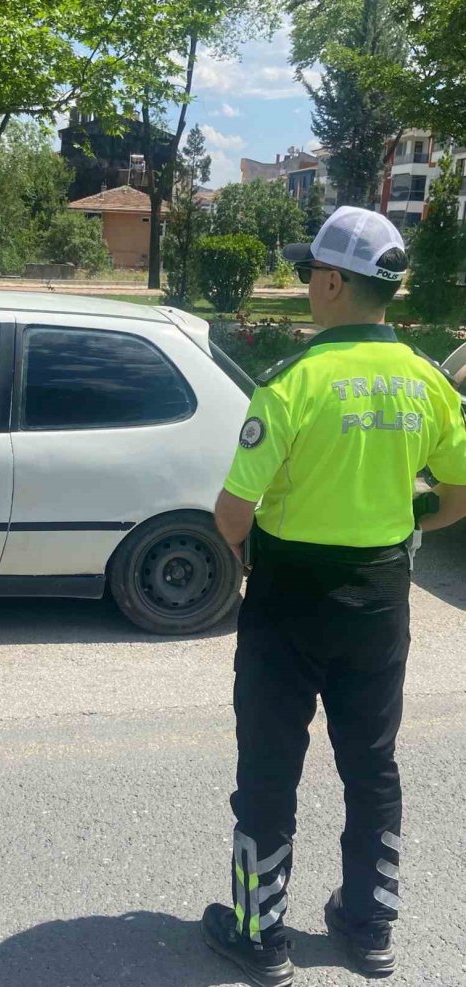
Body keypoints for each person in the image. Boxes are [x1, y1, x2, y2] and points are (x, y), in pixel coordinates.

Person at [200, 207, 466, 986]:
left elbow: (230, 514)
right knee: (372, 763)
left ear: (331, 282)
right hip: (382, 595)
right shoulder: (424, 380)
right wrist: (403, 519)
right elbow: (455, 495)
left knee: (270, 768)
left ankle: (260, 935)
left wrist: (252, 559)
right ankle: (369, 925)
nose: (304, 284)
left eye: (308, 272)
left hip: (289, 597)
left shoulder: (294, 381)